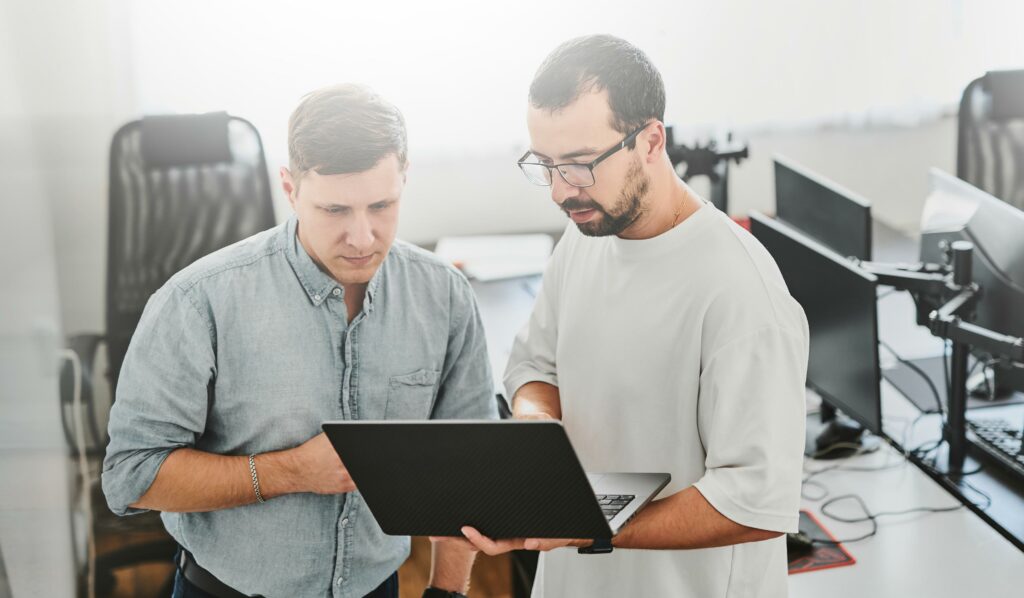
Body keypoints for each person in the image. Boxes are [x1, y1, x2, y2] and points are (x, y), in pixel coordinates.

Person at [102, 83, 493, 598]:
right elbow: (130, 476)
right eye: (334, 210)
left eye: (381, 205)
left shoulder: (443, 295)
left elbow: (470, 466)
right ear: (290, 188)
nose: (361, 236)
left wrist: (447, 593)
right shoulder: (199, 300)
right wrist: (289, 471)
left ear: (404, 178)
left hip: (377, 586)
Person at [458, 35, 809, 597]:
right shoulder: (589, 231)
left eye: (577, 166)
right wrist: (535, 430)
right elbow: (535, 365)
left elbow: (756, 502)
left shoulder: (741, 292)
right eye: (545, 165)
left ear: (650, 140)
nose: (558, 192)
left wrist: (590, 525)